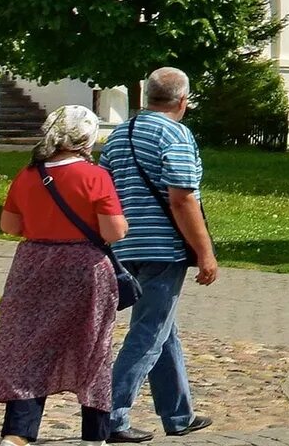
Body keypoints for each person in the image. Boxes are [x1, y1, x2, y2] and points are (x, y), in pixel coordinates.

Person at [0, 104, 125, 445]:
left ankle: (18, 433)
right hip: (84, 267)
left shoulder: (28, 174)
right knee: (93, 348)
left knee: (28, 348)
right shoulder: (95, 176)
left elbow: (9, 225)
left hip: (33, 264)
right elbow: (114, 231)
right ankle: (94, 435)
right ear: (86, 137)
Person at [100, 67, 217, 441]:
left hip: (124, 246)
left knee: (164, 330)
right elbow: (182, 198)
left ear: (148, 96)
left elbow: (104, 196)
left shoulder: (119, 135)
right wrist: (205, 252)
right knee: (148, 332)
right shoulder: (176, 134)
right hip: (163, 248)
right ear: (182, 100)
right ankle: (111, 415)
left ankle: (178, 414)